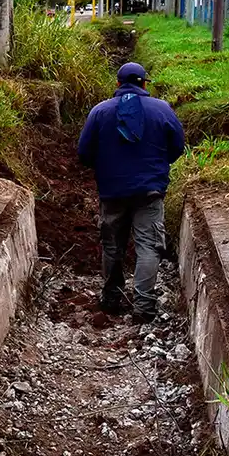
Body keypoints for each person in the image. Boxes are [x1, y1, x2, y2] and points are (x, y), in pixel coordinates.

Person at [76, 61, 186, 322]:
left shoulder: (100, 112)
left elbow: (84, 152)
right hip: (149, 191)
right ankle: (144, 307)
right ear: (145, 83)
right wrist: (158, 166)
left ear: (117, 84)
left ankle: (112, 298)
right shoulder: (162, 110)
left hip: (112, 192)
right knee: (148, 246)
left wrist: (106, 168)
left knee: (112, 245)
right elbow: (178, 146)